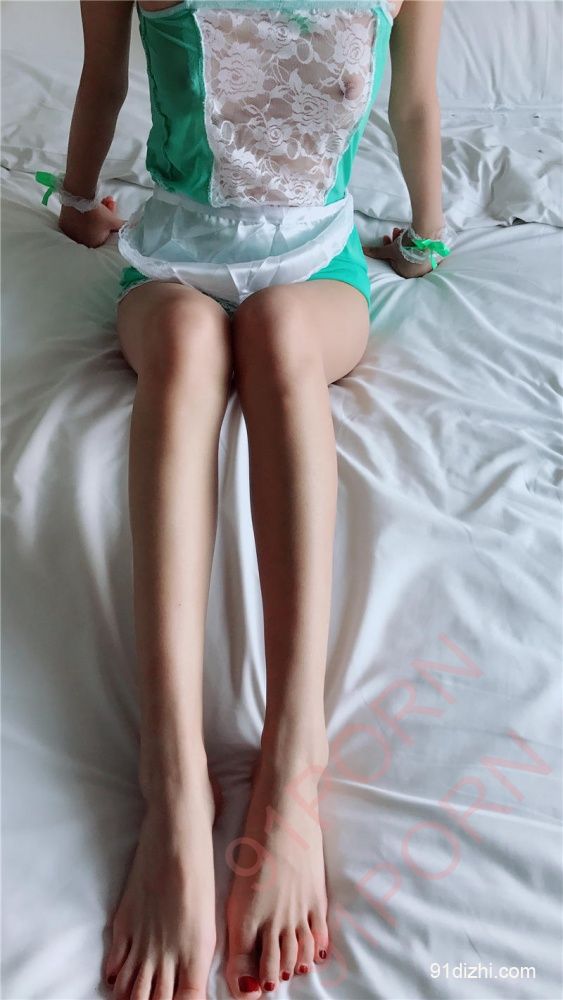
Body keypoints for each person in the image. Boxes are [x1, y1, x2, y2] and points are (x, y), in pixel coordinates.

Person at [36, 1, 452, 997]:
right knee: (186, 346)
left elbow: (415, 101)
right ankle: (172, 785)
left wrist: (426, 236)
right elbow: (104, 77)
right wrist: (79, 202)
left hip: (317, 266)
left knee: (276, 331)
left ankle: (292, 763)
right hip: (173, 260)